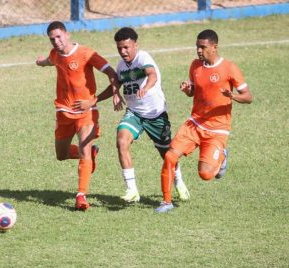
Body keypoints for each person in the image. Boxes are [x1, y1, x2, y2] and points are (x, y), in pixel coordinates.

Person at [157, 29, 253, 213]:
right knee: (170, 156)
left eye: (203, 47)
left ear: (214, 47)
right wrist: (187, 89)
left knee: (206, 174)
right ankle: (166, 202)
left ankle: (222, 155)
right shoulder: (195, 65)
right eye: (197, 47)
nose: (199, 51)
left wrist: (232, 96)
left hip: (217, 129)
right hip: (195, 123)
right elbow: (194, 91)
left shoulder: (229, 68)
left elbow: (248, 97)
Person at [36, 21, 121, 211]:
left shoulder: (86, 53)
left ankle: (81, 196)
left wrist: (110, 95)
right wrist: (40, 62)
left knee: (84, 148)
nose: (56, 42)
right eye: (52, 39)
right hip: (64, 112)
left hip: (87, 111)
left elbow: (112, 73)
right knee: (61, 155)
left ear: (67, 34)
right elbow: (49, 61)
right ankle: (92, 154)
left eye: (59, 36)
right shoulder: (55, 55)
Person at [97, 27, 189, 203]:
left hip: (156, 115)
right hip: (135, 113)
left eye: (126, 47)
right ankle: (132, 190)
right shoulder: (121, 66)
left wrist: (146, 88)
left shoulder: (143, 57)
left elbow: (152, 74)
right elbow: (116, 83)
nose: (123, 52)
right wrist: (103, 97)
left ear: (135, 45)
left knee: (167, 155)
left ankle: (179, 182)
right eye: (119, 48)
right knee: (121, 141)